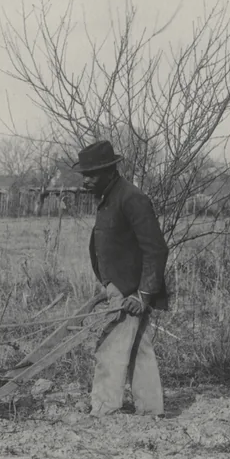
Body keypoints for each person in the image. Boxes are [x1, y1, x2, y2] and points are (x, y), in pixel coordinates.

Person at [71, 139, 169, 417]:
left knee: (109, 349)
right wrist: (107, 285)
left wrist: (143, 294)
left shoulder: (132, 198)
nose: (85, 181)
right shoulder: (109, 199)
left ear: (109, 171)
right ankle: (151, 410)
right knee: (138, 348)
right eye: (84, 175)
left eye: (91, 175)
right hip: (120, 288)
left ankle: (104, 410)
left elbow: (156, 249)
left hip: (131, 292)